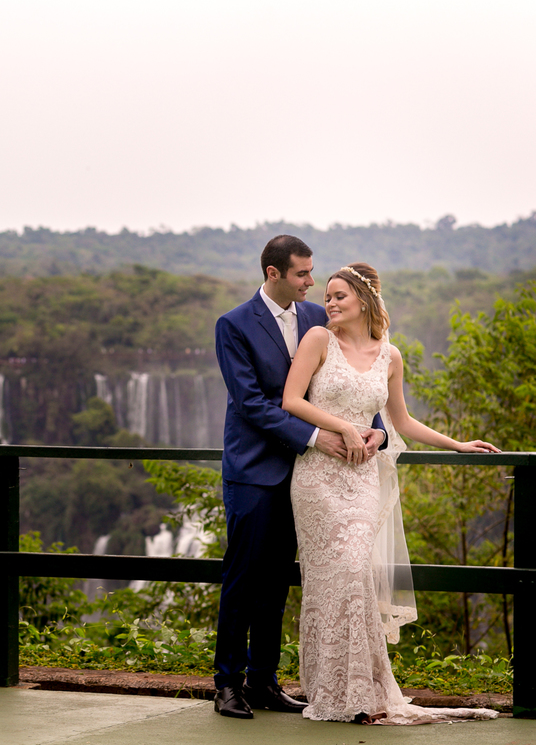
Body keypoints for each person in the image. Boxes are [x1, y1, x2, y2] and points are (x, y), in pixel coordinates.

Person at [283, 262, 500, 724]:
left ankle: (364, 690)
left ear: (363, 300)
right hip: (319, 477)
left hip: (362, 479)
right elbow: (292, 401)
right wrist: (343, 424)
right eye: (328, 295)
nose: (330, 302)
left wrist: (456, 443)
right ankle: (332, 690)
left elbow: (402, 422)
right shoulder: (318, 340)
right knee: (333, 577)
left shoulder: (390, 355)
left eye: (340, 295)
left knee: (357, 569)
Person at [212, 235, 386, 719]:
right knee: (243, 578)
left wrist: (378, 435)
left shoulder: (317, 321)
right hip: (254, 471)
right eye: (303, 274)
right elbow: (251, 403)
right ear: (274, 274)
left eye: (313, 273)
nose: (313, 281)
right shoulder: (234, 325)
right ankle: (226, 683)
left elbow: (350, 386)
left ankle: (264, 681)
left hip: (310, 478)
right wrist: (314, 438)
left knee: (277, 583)